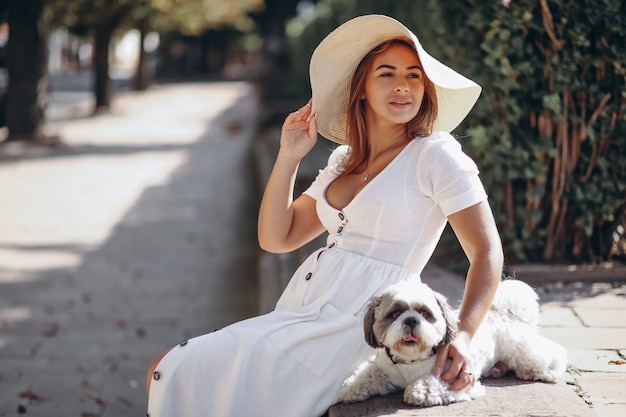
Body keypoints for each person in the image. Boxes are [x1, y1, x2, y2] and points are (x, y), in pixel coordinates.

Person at [146, 14, 503, 417]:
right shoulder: (343, 161)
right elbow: (277, 237)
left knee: (172, 369)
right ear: (362, 88)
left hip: (361, 326)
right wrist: (288, 156)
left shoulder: (435, 154)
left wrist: (465, 337)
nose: (403, 85)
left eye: (414, 76)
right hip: (303, 310)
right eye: (387, 74)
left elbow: (487, 253)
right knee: (168, 370)